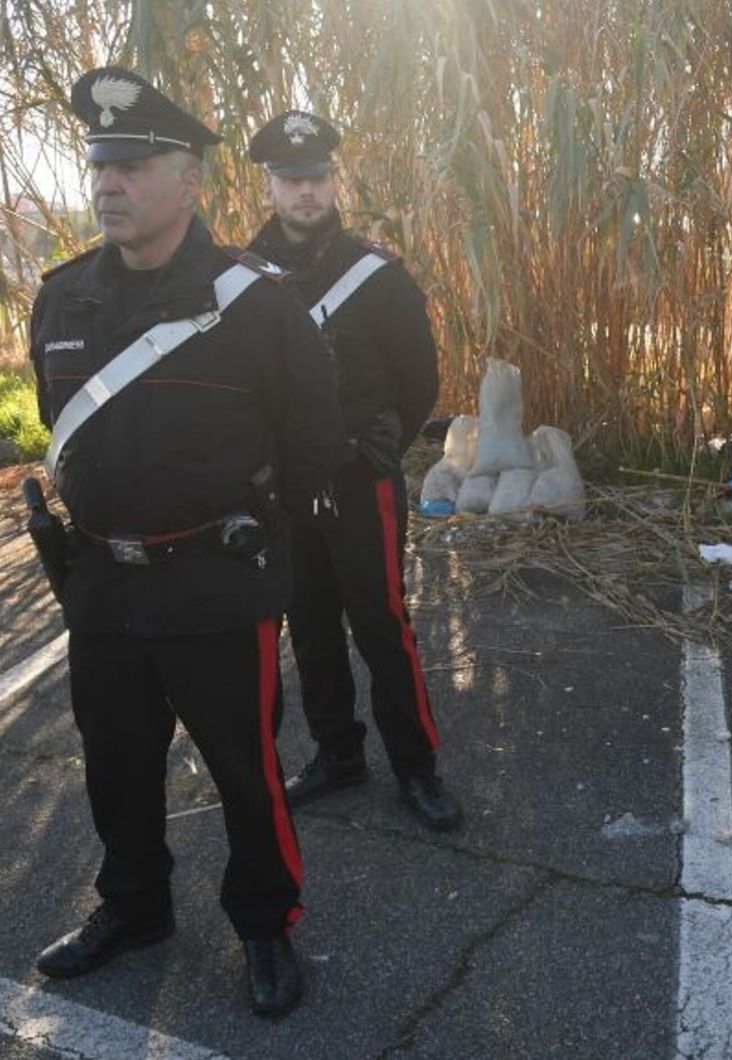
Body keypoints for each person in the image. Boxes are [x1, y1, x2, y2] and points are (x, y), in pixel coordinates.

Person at [28, 69, 343, 1015]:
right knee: (115, 760)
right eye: (99, 165)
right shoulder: (63, 297)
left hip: (213, 583)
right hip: (104, 586)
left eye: (132, 163)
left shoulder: (256, 303)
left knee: (244, 767)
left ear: (191, 180)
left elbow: (312, 443)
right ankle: (134, 906)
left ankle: (264, 923)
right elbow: (62, 423)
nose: (108, 184)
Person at [245, 110, 460, 832]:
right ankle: (338, 754)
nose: (305, 192)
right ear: (269, 186)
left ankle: (416, 767)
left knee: (382, 622)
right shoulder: (242, 275)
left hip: (360, 477)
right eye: (289, 180)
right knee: (308, 621)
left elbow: (420, 376)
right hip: (286, 485)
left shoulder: (377, 273)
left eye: (316, 178)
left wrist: (382, 446)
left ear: (334, 181)